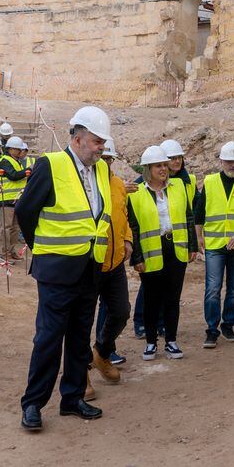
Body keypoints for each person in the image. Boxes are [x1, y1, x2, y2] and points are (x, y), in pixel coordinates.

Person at [15, 106, 114, 431]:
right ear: (77, 138)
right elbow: (26, 211)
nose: (101, 148)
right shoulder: (51, 164)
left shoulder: (100, 171)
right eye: (97, 141)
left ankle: (72, 398)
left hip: (89, 268)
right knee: (48, 339)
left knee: (78, 338)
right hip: (56, 270)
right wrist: (41, 247)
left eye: (102, 142)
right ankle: (33, 404)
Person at [128, 145, 195, 361]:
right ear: (148, 168)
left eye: (165, 165)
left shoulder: (178, 186)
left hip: (175, 248)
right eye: (158, 165)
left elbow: (188, 216)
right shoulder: (136, 193)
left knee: (172, 298)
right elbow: (134, 227)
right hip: (151, 251)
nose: (164, 169)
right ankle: (150, 343)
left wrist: (192, 246)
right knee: (151, 299)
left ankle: (171, 342)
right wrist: (136, 258)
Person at [196, 141, 234, 349]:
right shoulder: (210, 182)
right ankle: (212, 330)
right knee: (213, 288)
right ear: (221, 161)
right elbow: (199, 212)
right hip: (214, 244)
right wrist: (199, 236)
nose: (232, 165)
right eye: (229, 161)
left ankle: (228, 324)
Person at [89, 138, 133, 385]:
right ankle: (80, 372)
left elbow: (123, 216)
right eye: (103, 158)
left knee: (120, 311)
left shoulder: (118, 184)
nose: (105, 162)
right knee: (81, 320)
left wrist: (127, 240)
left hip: (114, 262)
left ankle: (101, 353)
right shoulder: (85, 183)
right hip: (89, 263)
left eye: (109, 159)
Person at [0, 136, 30, 264]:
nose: (20, 151)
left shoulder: (17, 161)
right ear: (10, 149)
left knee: (15, 227)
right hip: (7, 199)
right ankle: (4, 254)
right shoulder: (4, 161)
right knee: (7, 227)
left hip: (17, 199)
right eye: (17, 149)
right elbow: (13, 176)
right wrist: (27, 171)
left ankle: (11, 251)